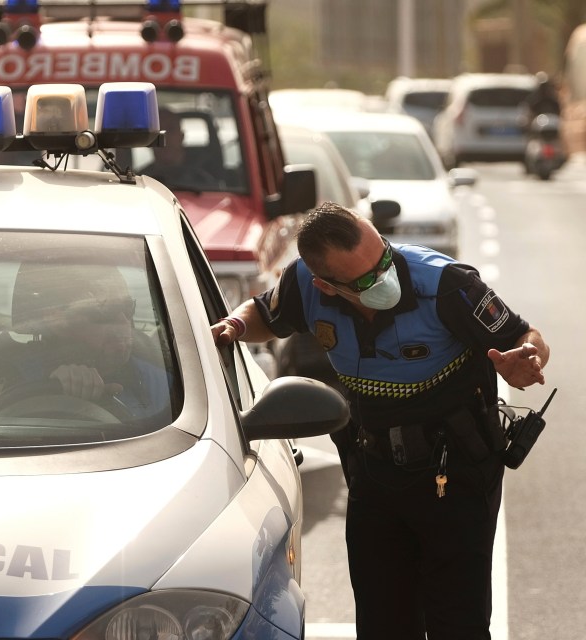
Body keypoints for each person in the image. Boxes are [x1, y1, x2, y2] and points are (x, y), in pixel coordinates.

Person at [211, 201, 549, 640]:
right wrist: (234, 326)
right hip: (374, 473)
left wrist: (526, 360)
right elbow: (265, 314)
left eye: (385, 258)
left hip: (457, 476)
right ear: (327, 286)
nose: (385, 276)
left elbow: (525, 336)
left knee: (458, 623)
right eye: (367, 279)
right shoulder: (303, 284)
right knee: (383, 621)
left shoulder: (447, 285)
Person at [0, 264, 171, 420]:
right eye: (105, 311)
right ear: (54, 319)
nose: (123, 322)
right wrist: (51, 393)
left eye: (128, 308)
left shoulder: (167, 387)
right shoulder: (10, 378)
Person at [139, 108, 218, 187]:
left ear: (182, 136)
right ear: (149, 141)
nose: (165, 137)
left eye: (171, 129)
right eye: (158, 131)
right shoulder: (139, 182)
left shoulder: (206, 182)